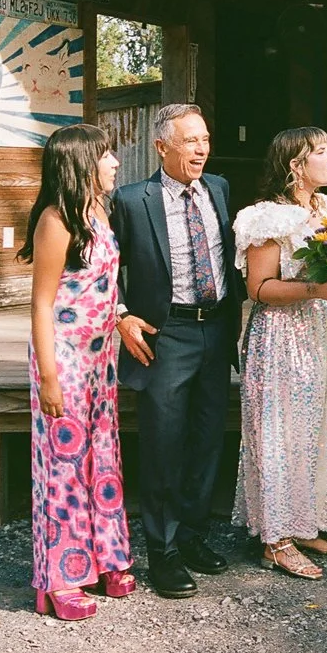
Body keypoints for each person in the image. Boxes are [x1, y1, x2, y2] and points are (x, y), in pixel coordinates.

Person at [231, 127, 327, 580]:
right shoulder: (266, 218)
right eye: (321, 151)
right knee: (281, 435)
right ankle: (275, 540)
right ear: (295, 166)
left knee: (320, 429)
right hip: (282, 339)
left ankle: (304, 524)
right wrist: (315, 288)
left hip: (324, 338)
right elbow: (258, 288)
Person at [111, 104, 243, 599]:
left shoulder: (220, 189)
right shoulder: (131, 200)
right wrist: (121, 315)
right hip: (166, 335)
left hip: (216, 329)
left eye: (205, 139)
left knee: (208, 438)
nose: (202, 149)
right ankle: (162, 552)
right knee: (164, 443)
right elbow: (104, 266)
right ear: (162, 146)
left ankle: (192, 537)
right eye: (190, 140)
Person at [20, 123, 133, 621]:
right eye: (106, 156)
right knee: (63, 466)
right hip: (63, 358)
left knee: (103, 459)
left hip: (101, 357)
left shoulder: (98, 213)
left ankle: (105, 555)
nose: (113, 164)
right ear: (81, 164)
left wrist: (123, 318)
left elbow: (103, 284)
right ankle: (60, 577)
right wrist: (48, 376)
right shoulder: (56, 220)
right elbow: (41, 305)